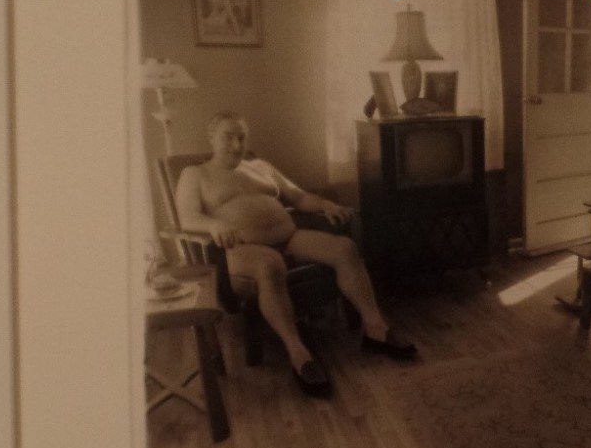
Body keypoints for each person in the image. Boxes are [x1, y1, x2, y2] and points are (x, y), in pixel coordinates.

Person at [175, 112, 417, 398]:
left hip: (288, 237)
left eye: (241, 137)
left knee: (345, 248)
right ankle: (298, 353)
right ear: (211, 137)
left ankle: (375, 328)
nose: (236, 144)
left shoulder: (260, 166)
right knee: (270, 264)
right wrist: (214, 224)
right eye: (228, 136)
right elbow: (187, 217)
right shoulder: (196, 174)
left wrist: (326, 204)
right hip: (241, 250)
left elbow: (298, 196)